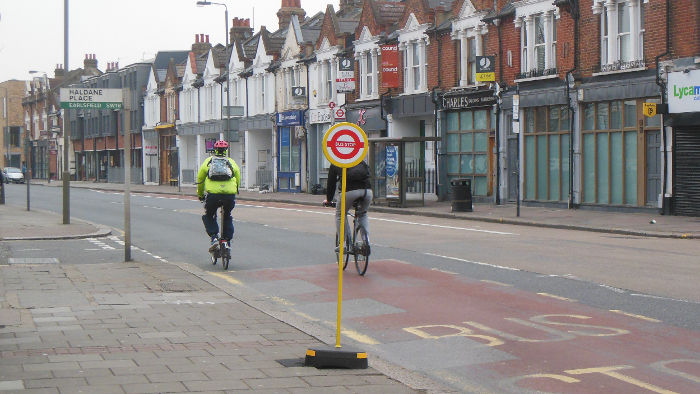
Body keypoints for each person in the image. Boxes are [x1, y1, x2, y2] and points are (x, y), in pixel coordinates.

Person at [197, 140, 241, 254]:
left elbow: (200, 180)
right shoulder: (231, 162)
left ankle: (214, 237)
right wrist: (235, 190)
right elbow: (238, 177)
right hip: (229, 195)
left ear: (214, 150)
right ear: (226, 151)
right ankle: (226, 240)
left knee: (209, 215)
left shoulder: (208, 162)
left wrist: (201, 195)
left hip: (213, 195)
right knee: (227, 215)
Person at [323, 160, 373, 252]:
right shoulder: (359, 158)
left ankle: (344, 244)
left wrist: (329, 200)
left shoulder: (336, 160)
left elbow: (331, 183)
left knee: (340, 214)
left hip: (349, 191)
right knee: (363, 214)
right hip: (367, 191)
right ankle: (367, 242)